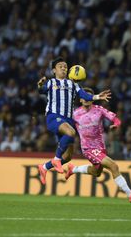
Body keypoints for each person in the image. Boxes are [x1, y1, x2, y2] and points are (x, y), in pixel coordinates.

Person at [37, 57, 111, 185]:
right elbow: (41, 90)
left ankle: (44, 167)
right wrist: (39, 84)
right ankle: (56, 159)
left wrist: (98, 96)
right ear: (54, 70)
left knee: (68, 156)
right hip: (54, 117)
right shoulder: (51, 82)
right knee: (71, 133)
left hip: (67, 120)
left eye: (65, 66)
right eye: (60, 66)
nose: (64, 68)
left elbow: (84, 95)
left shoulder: (73, 84)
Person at [65, 87, 131, 203]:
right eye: (84, 97)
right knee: (113, 166)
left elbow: (115, 119)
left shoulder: (99, 110)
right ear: (81, 99)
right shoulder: (75, 114)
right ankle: (130, 194)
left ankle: (73, 169)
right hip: (88, 148)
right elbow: (65, 126)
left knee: (96, 172)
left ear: (92, 99)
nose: (86, 99)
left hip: (100, 147)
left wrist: (116, 124)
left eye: (89, 97)